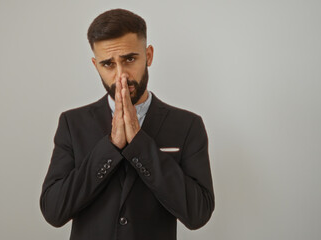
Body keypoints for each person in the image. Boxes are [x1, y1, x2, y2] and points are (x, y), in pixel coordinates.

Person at [40, 8, 214, 240]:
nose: (121, 75)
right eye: (108, 64)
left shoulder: (187, 125)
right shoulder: (72, 124)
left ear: (149, 55)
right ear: (95, 65)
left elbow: (198, 214)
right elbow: (54, 212)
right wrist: (110, 146)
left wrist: (141, 145)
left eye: (129, 59)